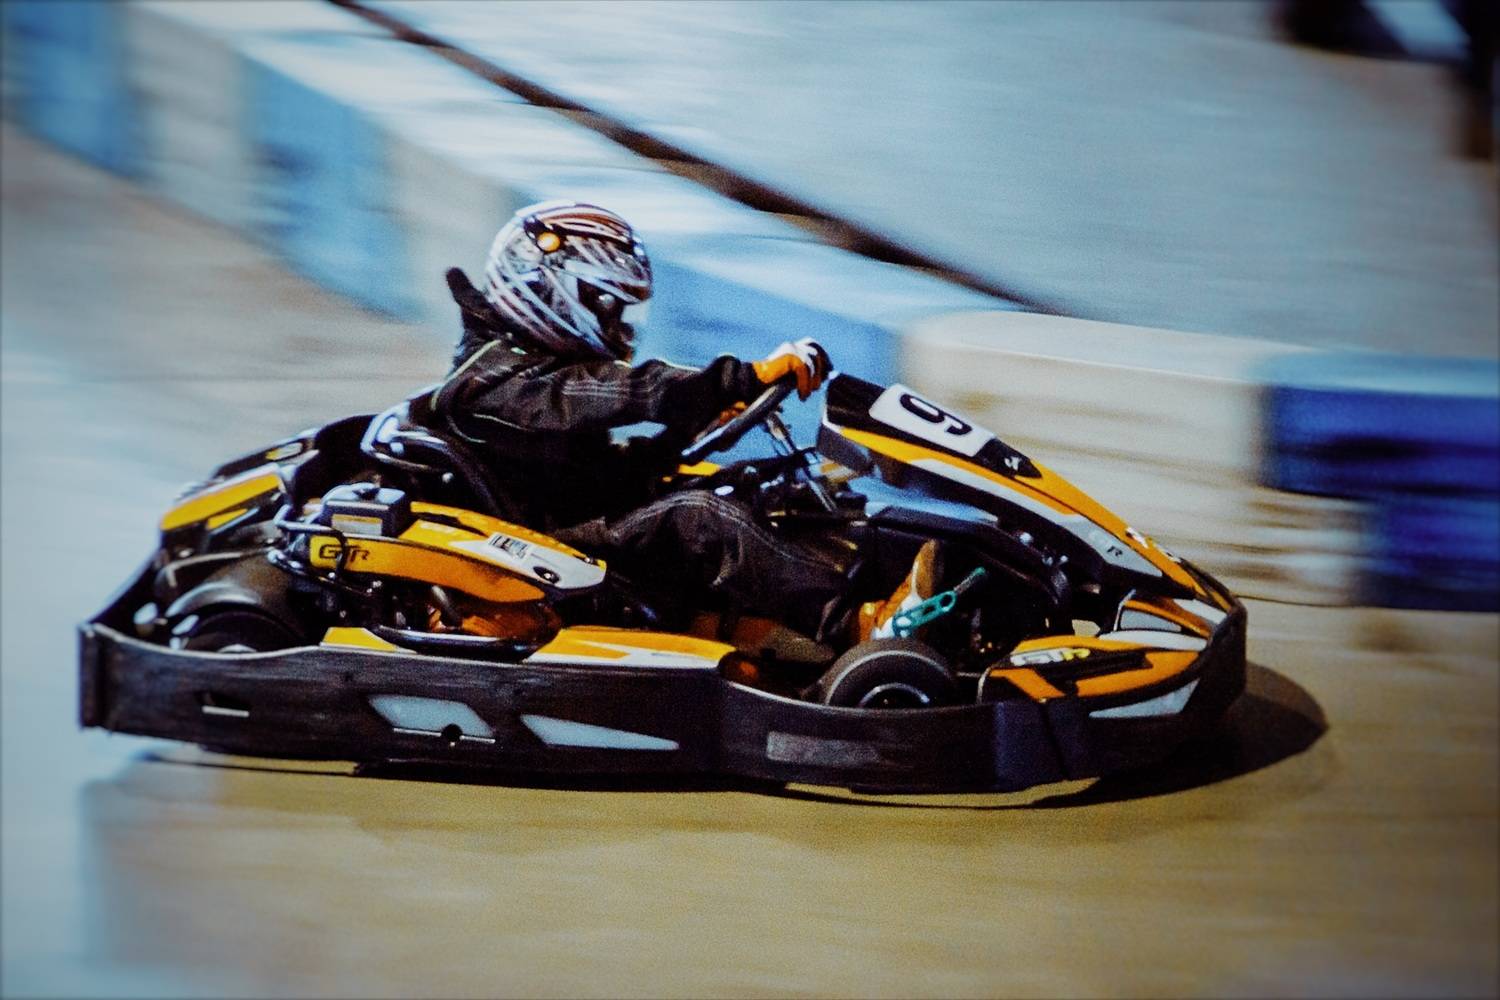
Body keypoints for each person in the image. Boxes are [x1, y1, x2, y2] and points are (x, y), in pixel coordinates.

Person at [427, 200, 851, 639]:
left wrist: (680, 437)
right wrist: (738, 379)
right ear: (551, 291)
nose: (620, 326)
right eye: (608, 306)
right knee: (699, 518)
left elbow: (601, 479)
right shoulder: (492, 379)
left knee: (752, 487)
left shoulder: (528, 366)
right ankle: (856, 628)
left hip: (571, 529)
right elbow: (617, 391)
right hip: (544, 557)